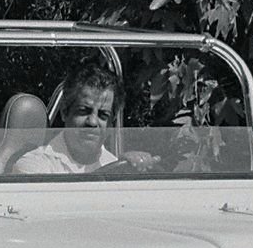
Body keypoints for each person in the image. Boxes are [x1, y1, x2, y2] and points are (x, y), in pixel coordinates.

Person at [12, 62, 160, 174]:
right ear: (64, 113)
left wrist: (132, 172)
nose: (93, 122)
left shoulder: (115, 165)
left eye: (103, 115)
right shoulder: (33, 166)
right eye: (84, 111)